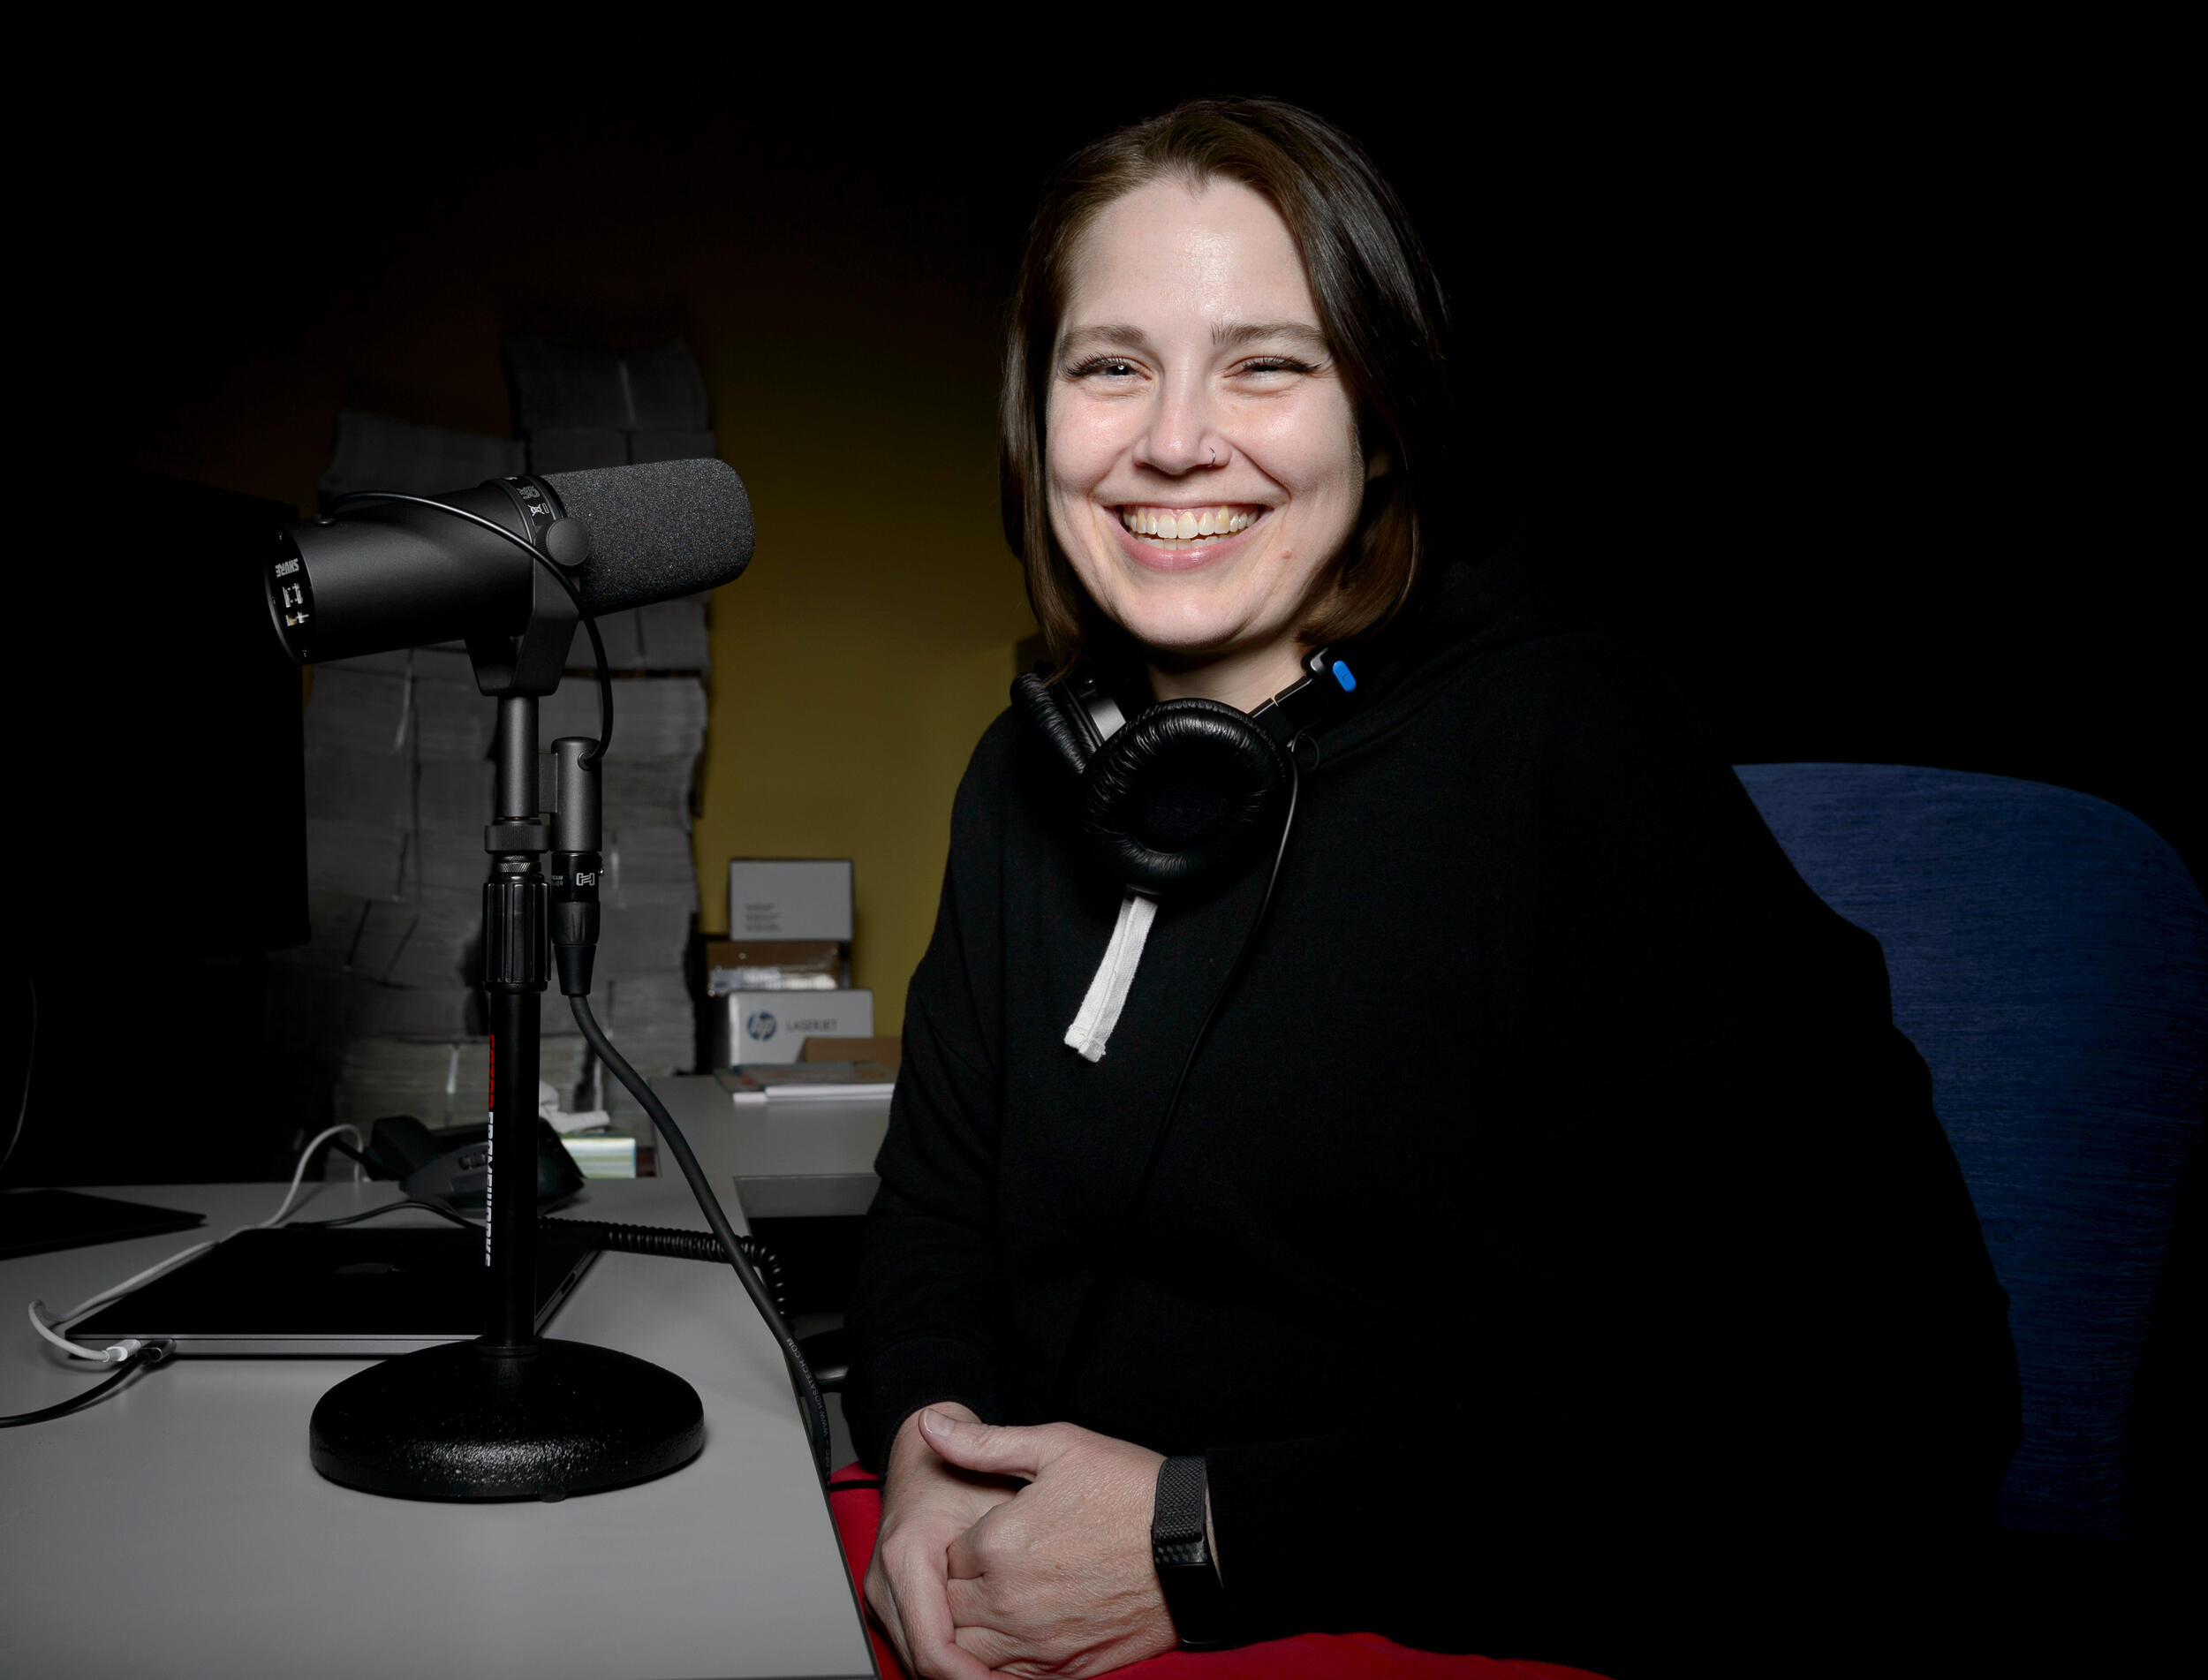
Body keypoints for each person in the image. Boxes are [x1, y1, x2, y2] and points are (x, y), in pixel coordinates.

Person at [842, 98, 2018, 1680]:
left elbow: (1893, 1398)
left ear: (1382, 416)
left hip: (1427, 1617)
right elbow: (932, 1223)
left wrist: (1208, 1535)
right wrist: (925, 1444)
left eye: (1268, 361)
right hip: (1038, 1602)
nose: (1175, 438)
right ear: (1036, 414)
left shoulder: (1571, 748)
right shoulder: (1031, 777)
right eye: (1110, 364)